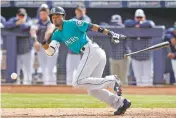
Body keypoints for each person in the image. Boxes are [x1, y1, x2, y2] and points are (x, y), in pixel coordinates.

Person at [41, 6, 131, 115]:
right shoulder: (56, 34)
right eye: (53, 17)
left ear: (63, 16)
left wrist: (109, 33)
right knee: (93, 90)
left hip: (92, 51)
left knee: (77, 81)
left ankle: (111, 81)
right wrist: (44, 44)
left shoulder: (71, 23)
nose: (55, 19)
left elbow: (91, 26)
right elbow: (50, 52)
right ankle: (121, 103)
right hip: (93, 53)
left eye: (58, 16)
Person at [124, 9, 155, 86]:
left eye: (141, 17)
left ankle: (149, 95)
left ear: (144, 17)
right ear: (135, 17)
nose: (139, 19)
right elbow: (126, 23)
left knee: (148, 78)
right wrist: (137, 24)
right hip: (136, 56)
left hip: (147, 56)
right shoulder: (131, 24)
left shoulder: (147, 24)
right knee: (138, 78)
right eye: (138, 17)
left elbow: (151, 24)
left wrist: (140, 25)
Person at [30, 5, 57, 85]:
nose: (42, 16)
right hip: (41, 48)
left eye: (44, 14)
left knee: (51, 69)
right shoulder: (36, 21)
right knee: (43, 67)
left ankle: (53, 88)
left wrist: (42, 42)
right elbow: (32, 31)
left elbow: (49, 31)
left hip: (51, 47)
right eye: (41, 14)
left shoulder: (52, 21)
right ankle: (46, 87)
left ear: (48, 14)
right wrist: (35, 42)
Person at [4, 8, 33, 85]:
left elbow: (27, 26)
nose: (21, 17)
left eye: (23, 15)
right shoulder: (13, 20)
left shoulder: (29, 19)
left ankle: (28, 85)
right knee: (16, 70)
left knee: (27, 69)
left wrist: (21, 23)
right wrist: (16, 23)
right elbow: (6, 25)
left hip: (27, 49)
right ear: (17, 15)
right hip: (16, 50)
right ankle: (16, 85)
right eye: (20, 15)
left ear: (26, 15)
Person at [66, 5, 92, 85]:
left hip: (83, 51)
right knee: (70, 70)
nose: (79, 12)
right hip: (72, 50)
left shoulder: (86, 19)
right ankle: (69, 88)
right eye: (78, 10)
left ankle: (81, 89)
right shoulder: (73, 19)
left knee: (81, 72)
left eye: (81, 11)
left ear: (85, 11)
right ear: (75, 11)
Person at [109, 14, 130, 85]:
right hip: (113, 57)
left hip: (123, 57)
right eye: (114, 24)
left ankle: (126, 95)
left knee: (123, 81)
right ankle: (115, 95)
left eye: (117, 24)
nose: (116, 26)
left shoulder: (125, 30)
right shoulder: (110, 31)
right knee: (114, 81)